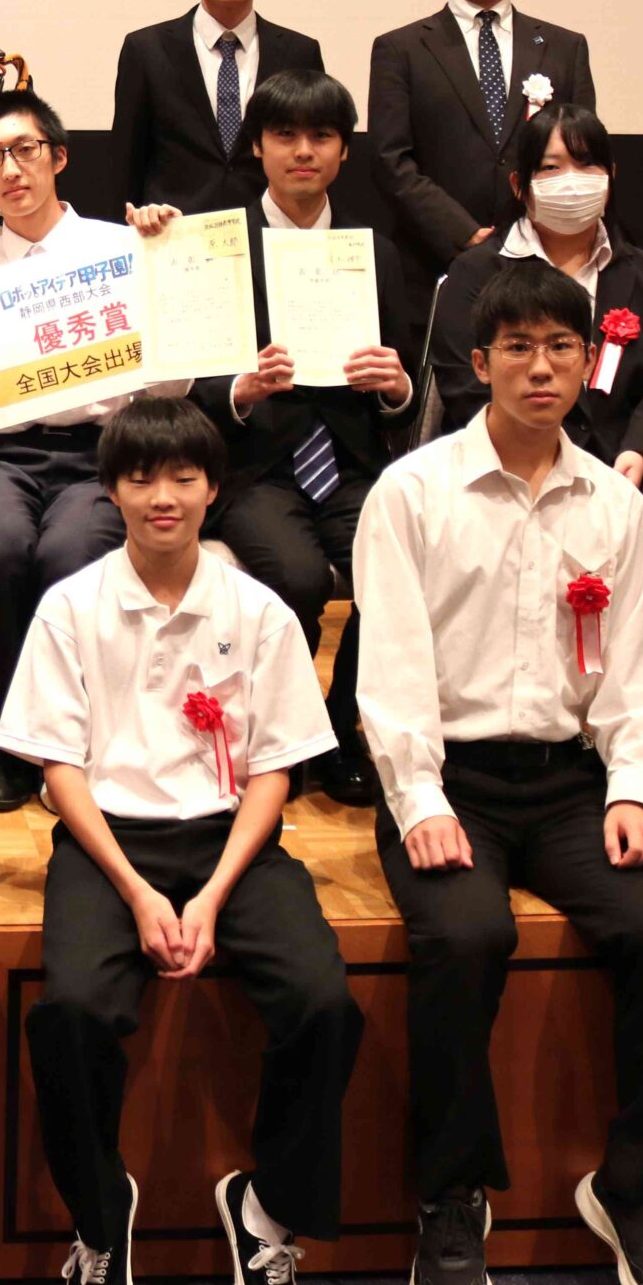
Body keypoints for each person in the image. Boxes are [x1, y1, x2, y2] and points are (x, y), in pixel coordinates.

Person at [357, 258, 643, 1285]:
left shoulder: (618, 506)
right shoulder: (411, 492)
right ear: (480, 363)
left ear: (589, 361)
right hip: (450, 777)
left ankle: (637, 1190)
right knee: (466, 935)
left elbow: (633, 671)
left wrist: (632, 789)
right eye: (519, 347)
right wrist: (418, 799)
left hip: (569, 783)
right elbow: (390, 668)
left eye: (562, 346)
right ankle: (451, 1197)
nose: (541, 367)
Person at [0, 397, 363, 1285]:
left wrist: (209, 894)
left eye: (183, 477)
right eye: (140, 477)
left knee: (323, 1000)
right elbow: (58, 767)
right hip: (108, 842)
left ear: (213, 488)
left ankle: (266, 1205)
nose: (162, 496)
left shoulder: (261, 609)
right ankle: (99, 1215)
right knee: (71, 1010)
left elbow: (274, 770)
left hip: (231, 841)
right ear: (111, 490)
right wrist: (137, 890)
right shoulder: (69, 606)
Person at [0, 91, 189, 814]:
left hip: (102, 452)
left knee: (70, 553)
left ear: (58, 156)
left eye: (25, 150)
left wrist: (167, 267)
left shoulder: (126, 248)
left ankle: (71, 734)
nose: (11, 169)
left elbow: (173, 383)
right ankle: (21, 740)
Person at [192, 70, 416, 808]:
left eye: (322, 136)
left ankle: (340, 723)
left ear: (344, 151)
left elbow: (405, 383)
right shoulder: (219, 245)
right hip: (257, 467)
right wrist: (239, 389)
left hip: (351, 466)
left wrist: (396, 387)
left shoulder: (374, 252)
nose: (303, 151)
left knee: (400, 573)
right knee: (294, 578)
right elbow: (186, 376)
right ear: (257, 146)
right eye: (284, 135)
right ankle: (282, 734)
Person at [426, 104, 643, 543]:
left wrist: (642, 451)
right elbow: (464, 381)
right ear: (519, 184)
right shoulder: (476, 272)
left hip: (625, 459)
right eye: (551, 168)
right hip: (512, 461)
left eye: (587, 164)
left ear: (610, 177)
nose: (572, 181)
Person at [368, 0, 596, 278]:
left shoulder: (564, 48)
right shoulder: (400, 49)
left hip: (543, 260)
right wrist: (463, 233)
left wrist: (533, 232)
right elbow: (390, 159)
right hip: (432, 264)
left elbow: (583, 155)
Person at [117, 0, 328, 216]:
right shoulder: (146, 50)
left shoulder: (299, 53)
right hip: (175, 235)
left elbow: (315, 157)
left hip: (269, 233)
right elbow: (125, 165)